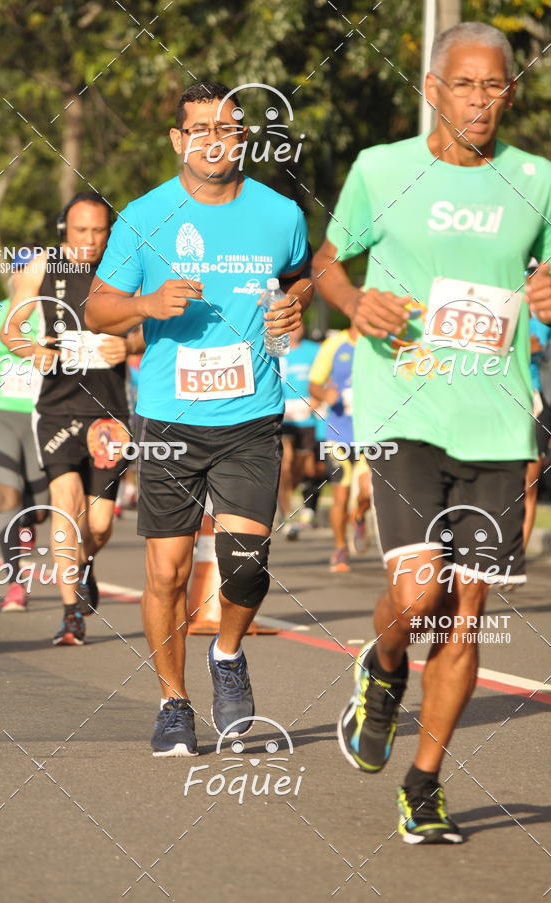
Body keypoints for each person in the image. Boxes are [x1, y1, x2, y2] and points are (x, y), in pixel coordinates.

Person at [313, 22, 551, 844]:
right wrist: (353, 301)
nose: (481, 100)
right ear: (432, 88)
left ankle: (424, 783)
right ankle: (383, 666)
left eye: (495, 85)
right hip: (404, 406)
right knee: (420, 595)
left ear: (509, 92)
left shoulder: (538, 179)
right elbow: (327, 261)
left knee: (464, 612)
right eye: (465, 84)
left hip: (498, 419)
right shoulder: (381, 170)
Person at [85, 81, 312, 756]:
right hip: (169, 418)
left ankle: (228, 653)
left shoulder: (280, 214)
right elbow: (96, 307)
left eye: (229, 129)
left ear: (244, 138)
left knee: (246, 567)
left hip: (251, 414)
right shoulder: (144, 216)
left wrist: (294, 303)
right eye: (201, 130)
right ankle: (173, 701)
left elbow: (301, 276)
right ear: (178, 140)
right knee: (168, 573)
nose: (215, 141)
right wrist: (144, 304)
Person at [2, 193, 144, 645]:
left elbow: (156, 324)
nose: (90, 240)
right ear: (65, 229)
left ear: (110, 232)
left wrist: (131, 344)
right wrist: (33, 350)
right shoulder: (42, 266)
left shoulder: (126, 266)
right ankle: (70, 615)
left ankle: (84, 564)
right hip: (57, 409)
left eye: (99, 231)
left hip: (109, 414)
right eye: (81, 230)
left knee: (99, 524)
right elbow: (10, 330)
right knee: (65, 504)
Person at [0, 249, 49, 611]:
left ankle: (28, 526)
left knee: (40, 510)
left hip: (40, 417)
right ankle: (16, 582)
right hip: (0, 413)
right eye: (19, 270)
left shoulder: (51, 314)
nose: (23, 276)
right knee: (8, 498)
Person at [309, 325, 371, 570]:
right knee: (341, 495)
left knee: (367, 492)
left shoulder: (380, 341)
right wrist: (325, 394)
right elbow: (314, 384)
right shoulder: (334, 344)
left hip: (369, 435)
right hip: (338, 434)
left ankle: (359, 515)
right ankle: (340, 548)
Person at [278, 323, 320, 539]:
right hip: (283, 416)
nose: (295, 330)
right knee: (285, 464)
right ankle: (286, 517)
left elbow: (325, 378)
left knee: (304, 468)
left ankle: (293, 497)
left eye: (298, 325)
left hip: (307, 417)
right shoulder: (275, 348)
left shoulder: (314, 350)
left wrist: (317, 399)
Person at [523, 306, 551, 546]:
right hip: (500, 401)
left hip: (536, 403)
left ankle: (516, 557)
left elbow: (536, 346)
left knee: (528, 485)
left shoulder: (543, 319)